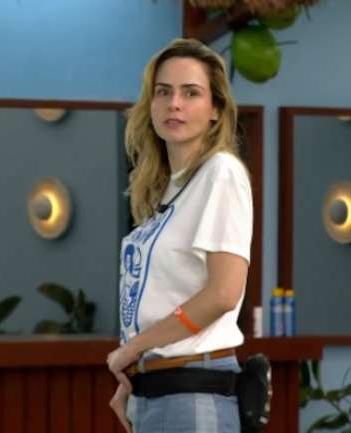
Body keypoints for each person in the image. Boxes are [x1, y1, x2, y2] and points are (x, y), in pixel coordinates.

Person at [106, 38, 253, 433]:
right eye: (163, 92)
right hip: (155, 390)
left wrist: (134, 349)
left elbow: (223, 294)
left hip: (193, 393)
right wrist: (136, 370)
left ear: (215, 109)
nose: (174, 104)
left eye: (191, 93)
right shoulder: (168, 188)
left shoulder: (221, 172)